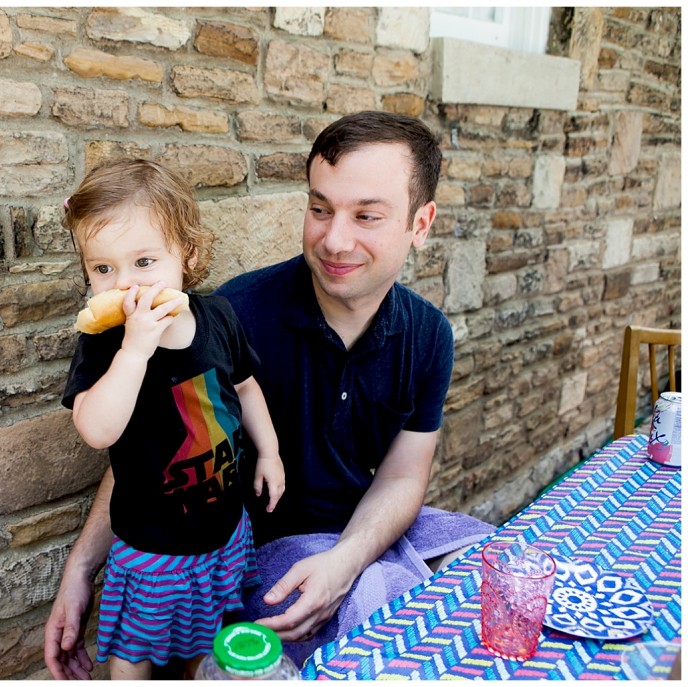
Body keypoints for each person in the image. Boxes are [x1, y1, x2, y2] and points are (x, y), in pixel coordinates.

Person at [44, 112, 494, 679]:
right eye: (320, 208)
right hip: (258, 567)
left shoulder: (429, 335)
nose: (334, 238)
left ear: (420, 223)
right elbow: (153, 449)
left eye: (367, 216)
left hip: (361, 540)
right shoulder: (239, 312)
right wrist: (83, 567)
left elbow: (404, 477)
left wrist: (345, 562)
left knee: (491, 584)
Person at [59, 159, 286, 680]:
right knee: (134, 654)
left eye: (143, 261)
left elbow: (247, 388)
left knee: (201, 646)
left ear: (187, 254)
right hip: (154, 550)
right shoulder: (106, 344)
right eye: (103, 269)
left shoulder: (218, 317)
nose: (126, 285)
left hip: (224, 533)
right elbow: (97, 430)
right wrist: (135, 351)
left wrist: (269, 452)